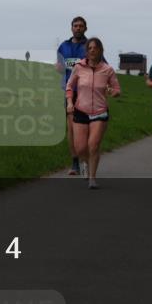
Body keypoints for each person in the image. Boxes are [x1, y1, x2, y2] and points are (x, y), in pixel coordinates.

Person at [65, 37, 120, 189]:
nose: (92, 50)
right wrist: (70, 103)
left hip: (100, 112)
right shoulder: (79, 67)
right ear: (86, 51)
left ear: (101, 50)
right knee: (80, 148)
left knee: (93, 145)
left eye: (95, 48)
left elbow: (117, 90)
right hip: (81, 110)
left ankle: (92, 178)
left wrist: (112, 92)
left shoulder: (107, 70)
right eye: (89, 48)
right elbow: (69, 87)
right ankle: (83, 165)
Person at [56, 16, 88, 176]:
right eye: (75, 26)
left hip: (87, 92)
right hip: (70, 92)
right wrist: (59, 68)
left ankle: (86, 159)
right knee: (72, 128)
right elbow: (60, 68)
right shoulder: (63, 47)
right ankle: (75, 162)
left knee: (86, 128)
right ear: (71, 28)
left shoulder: (91, 46)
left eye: (81, 26)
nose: (78, 28)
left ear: (85, 29)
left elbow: (103, 65)